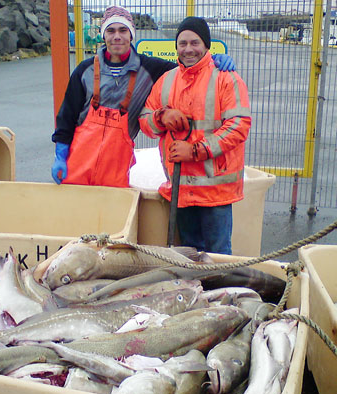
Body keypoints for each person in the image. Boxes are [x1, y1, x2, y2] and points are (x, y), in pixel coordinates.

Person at [51, 5, 235, 188]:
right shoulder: (85, 70)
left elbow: (188, 67)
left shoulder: (150, 69)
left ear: (131, 34)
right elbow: (67, 116)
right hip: (77, 166)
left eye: (123, 30)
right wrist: (60, 155)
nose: (117, 36)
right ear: (103, 35)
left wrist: (213, 60)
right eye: (111, 30)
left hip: (115, 171)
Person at [138, 16, 251, 254]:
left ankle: (219, 292)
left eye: (195, 42)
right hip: (181, 188)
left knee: (217, 255)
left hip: (215, 192)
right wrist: (161, 117)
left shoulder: (226, 78)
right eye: (182, 43)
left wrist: (196, 150)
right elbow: (145, 121)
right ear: (176, 47)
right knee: (189, 254)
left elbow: (239, 125)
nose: (188, 49)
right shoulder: (166, 81)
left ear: (206, 45)